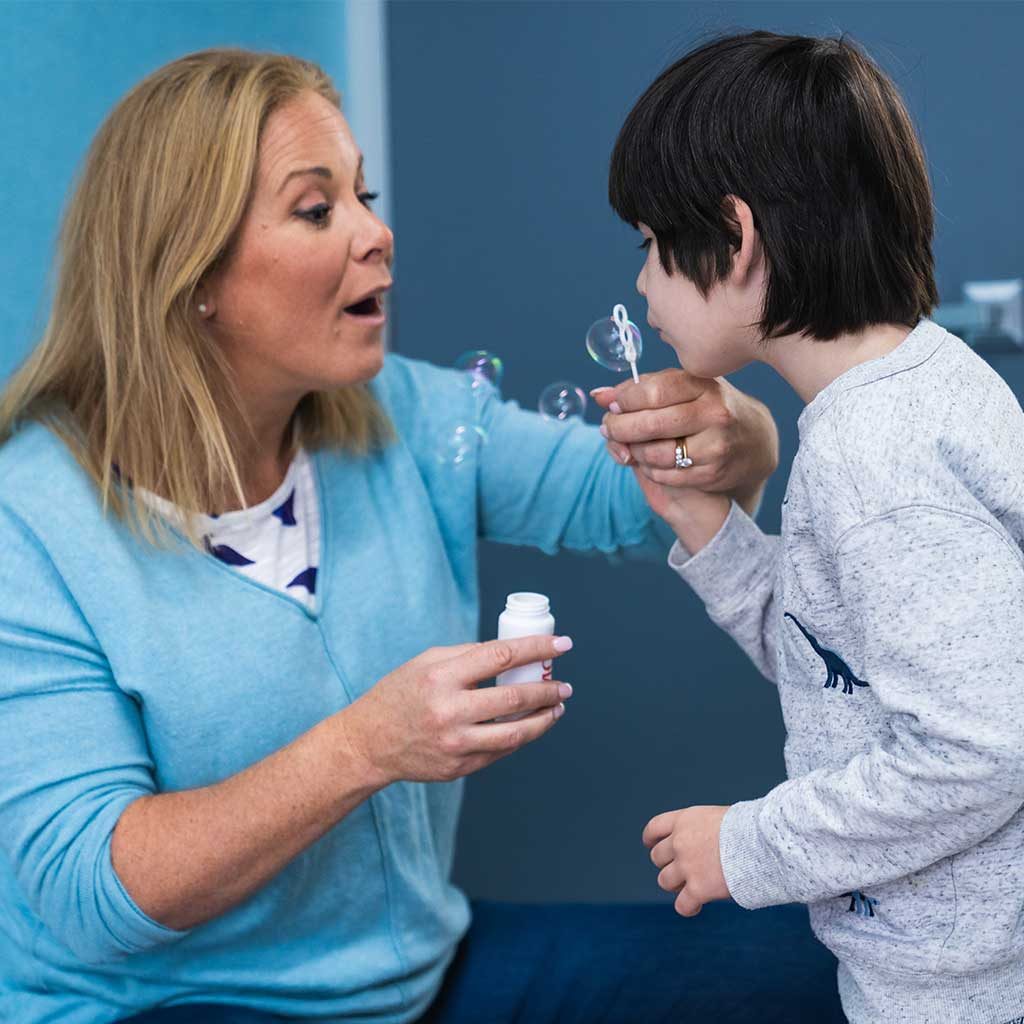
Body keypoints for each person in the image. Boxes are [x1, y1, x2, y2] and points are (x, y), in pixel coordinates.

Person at [0, 48, 795, 1023]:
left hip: (414, 978)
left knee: (804, 958)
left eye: (363, 197)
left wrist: (742, 437)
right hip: (173, 1004)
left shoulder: (399, 411)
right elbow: (92, 896)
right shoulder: (28, 522)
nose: (377, 234)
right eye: (314, 207)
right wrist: (363, 748)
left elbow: (628, 502)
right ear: (190, 268)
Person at [597, 29, 1024, 1024]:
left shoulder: (873, 456)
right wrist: (713, 530)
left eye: (654, 247)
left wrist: (746, 845)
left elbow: (982, 747)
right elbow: (847, 668)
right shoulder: (923, 385)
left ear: (734, 239)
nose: (644, 285)